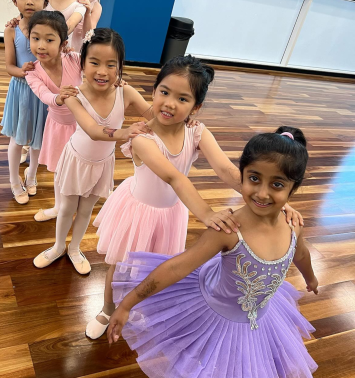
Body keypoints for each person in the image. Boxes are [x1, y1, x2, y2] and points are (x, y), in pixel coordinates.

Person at [87, 56, 304, 340]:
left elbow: (226, 170)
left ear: (196, 107)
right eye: (164, 92)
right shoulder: (142, 137)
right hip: (138, 211)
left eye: (182, 98)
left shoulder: (197, 131)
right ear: (154, 90)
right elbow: (174, 178)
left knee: (159, 264)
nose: (169, 103)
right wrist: (207, 213)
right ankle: (107, 309)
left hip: (171, 213)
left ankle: (141, 306)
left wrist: (280, 202)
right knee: (119, 264)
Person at [108, 126, 319, 378]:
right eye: (254, 178)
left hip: (264, 315)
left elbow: (301, 254)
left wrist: (310, 278)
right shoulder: (228, 230)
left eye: (277, 184)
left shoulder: (293, 225)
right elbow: (177, 267)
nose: (262, 193)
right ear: (242, 176)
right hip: (215, 314)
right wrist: (126, 305)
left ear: (293, 189)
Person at [32, 28, 157, 274]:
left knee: (86, 210)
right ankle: (58, 246)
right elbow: (92, 130)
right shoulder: (73, 95)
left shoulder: (126, 92)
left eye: (111, 65)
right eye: (95, 63)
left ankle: (74, 248)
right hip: (76, 160)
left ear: (120, 67)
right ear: (83, 63)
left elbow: (153, 114)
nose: (102, 71)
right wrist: (125, 133)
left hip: (103, 162)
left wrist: (175, 113)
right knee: (67, 209)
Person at [25, 10, 82, 220]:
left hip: (82, 125)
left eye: (49, 40)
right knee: (59, 169)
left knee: (82, 165)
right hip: (58, 127)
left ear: (63, 43)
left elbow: (96, 68)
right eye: (35, 38)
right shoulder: (32, 72)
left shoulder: (74, 59)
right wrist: (59, 98)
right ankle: (59, 207)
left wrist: (116, 80)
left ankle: (85, 200)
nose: (41, 45)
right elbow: (44, 94)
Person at [0, 0, 49, 204]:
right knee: (17, 139)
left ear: (45, 2)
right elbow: (9, 66)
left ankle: (31, 175)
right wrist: (23, 72)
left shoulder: (48, 31)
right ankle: (13, 180)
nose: (29, 1)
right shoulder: (11, 30)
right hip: (21, 91)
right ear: (14, 0)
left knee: (39, 139)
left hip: (43, 93)